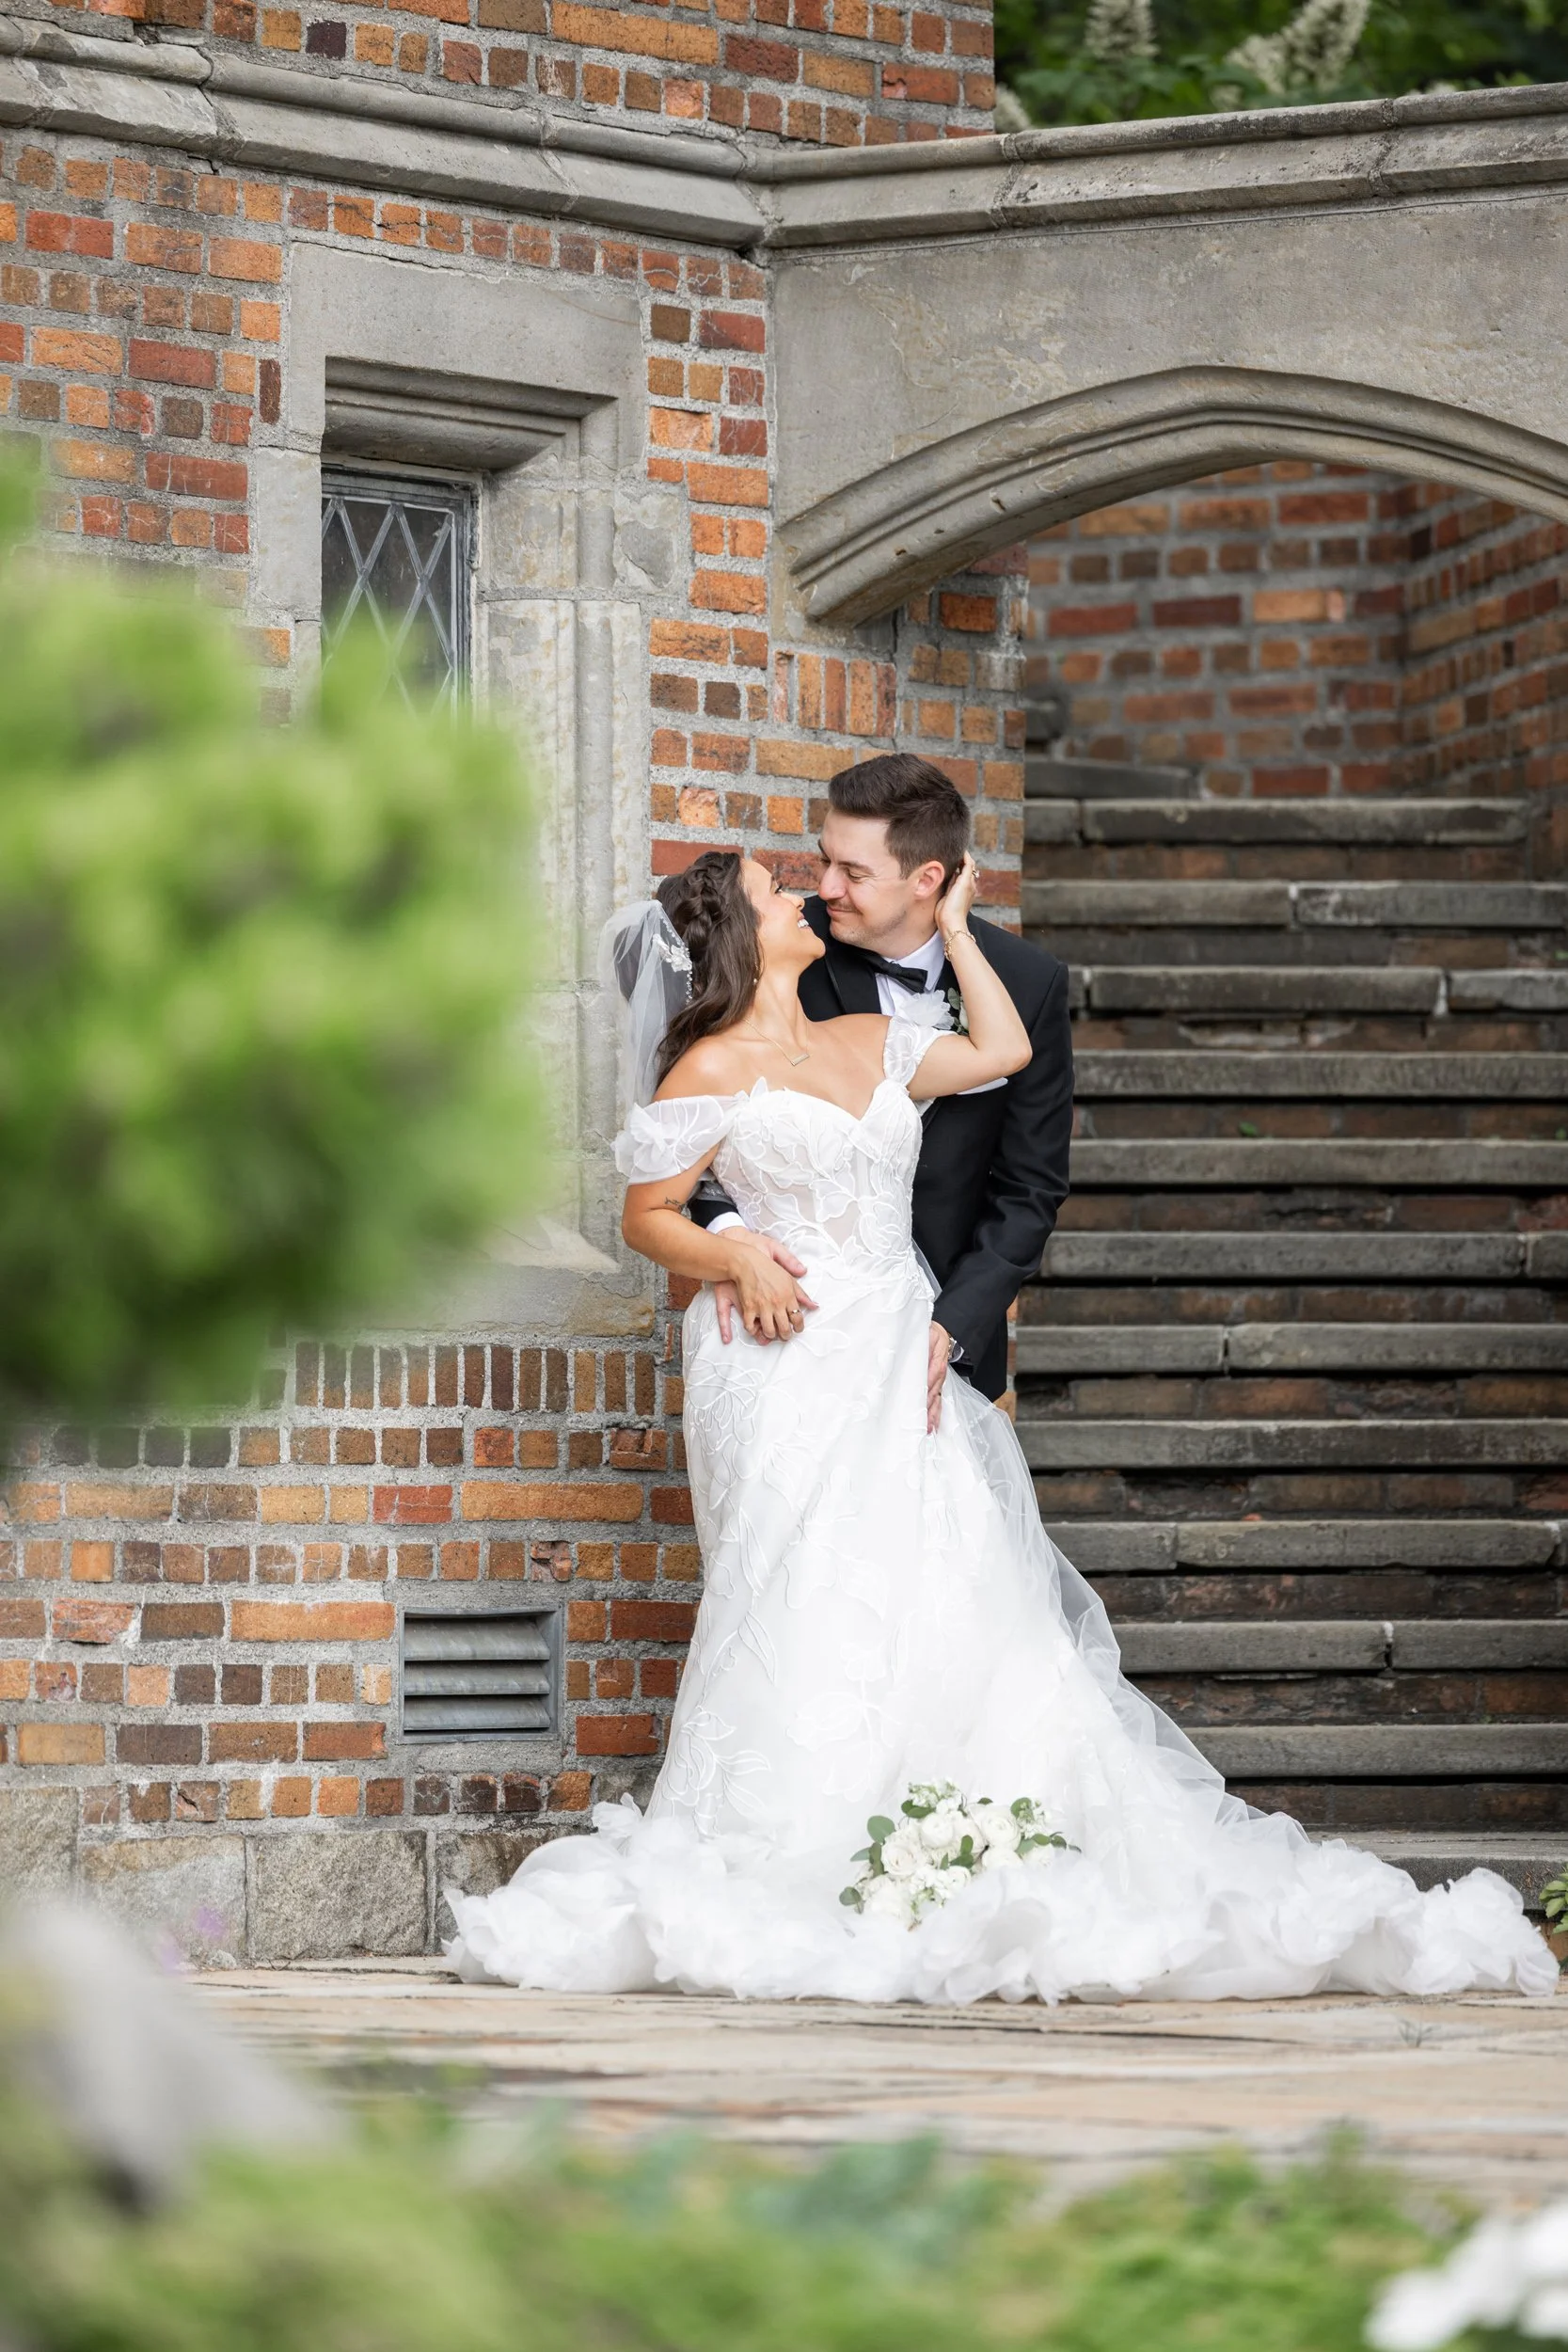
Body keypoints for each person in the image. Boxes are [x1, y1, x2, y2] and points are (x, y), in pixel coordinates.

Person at [446, 850, 1554, 2004]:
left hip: (897, 1346)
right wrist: (730, 1251)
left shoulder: (870, 1031)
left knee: (952, 1577)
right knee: (806, 1586)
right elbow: (648, 1217)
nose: (804, 896)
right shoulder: (705, 1068)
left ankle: (967, 1824)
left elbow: (1003, 1051)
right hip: (781, 1358)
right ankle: (800, 1836)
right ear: (736, 932)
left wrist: (959, 926)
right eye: (780, 891)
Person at [690, 753, 1072, 1423]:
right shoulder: (781, 951)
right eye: (824, 860)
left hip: (943, 1339)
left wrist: (951, 1327)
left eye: (854, 872)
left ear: (928, 879)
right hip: (793, 1330)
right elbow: (686, 1129)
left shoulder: (1025, 982)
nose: (825, 888)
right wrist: (730, 1242)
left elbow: (1029, 1188)